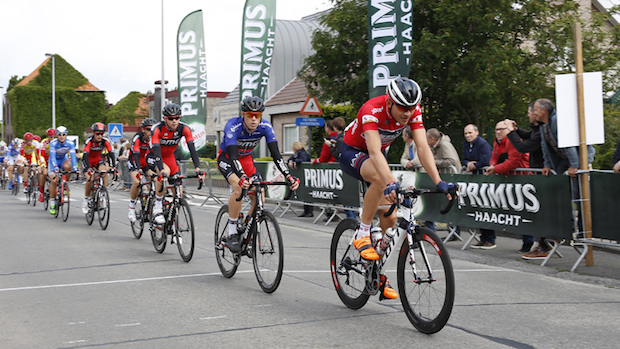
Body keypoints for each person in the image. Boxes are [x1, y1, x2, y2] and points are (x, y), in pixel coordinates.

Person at [339, 77, 454, 300]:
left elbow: (422, 148)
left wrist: (439, 181)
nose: (407, 113)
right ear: (390, 101)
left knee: (389, 221)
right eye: (402, 107)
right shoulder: (372, 109)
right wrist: (389, 180)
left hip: (375, 157)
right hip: (352, 152)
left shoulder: (413, 111)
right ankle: (362, 233)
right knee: (382, 180)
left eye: (411, 108)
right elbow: (373, 152)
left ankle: (377, 274)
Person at [218, 96, 299, 253]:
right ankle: (232, 230)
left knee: (259, 195)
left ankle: (247, 224)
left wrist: (288, 177)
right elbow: (234, 156)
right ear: (243, 115)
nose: (254, 119)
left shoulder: (266, 127)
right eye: (250, 115)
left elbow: (276, 156)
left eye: (257, 115)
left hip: (246, 159)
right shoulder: (232, 126)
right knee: (238, 188)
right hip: (228, 158)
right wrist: (241, 177)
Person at [522, 98, 595, 260]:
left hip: (578, 162)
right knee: (560, 197)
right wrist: (547, 164)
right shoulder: (543, 125)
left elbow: (567, 145)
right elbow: (544, 146)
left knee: (579, 197)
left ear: (543, 111)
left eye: (535, 109)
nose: (533, 112)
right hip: (562, 164)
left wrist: (575, 165)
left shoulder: (557, 121)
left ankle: (583, 234)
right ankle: (564, 231)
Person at [471, 121, 530, 250]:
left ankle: (528, 242)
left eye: (501, 129)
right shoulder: (497, 142)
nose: (498, 132)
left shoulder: (514, 141)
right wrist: (493, 165)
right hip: (505, 180)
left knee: (524, 213)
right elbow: (494, 157)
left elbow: (513, 162)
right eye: (497, 129)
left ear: (508, 130)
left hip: (522, 180)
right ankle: (487, 239)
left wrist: (495, 168)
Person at [149, 104, 205, 224]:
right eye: (171, 118)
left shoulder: (184, 128)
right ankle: (157, 207)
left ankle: (174, 223)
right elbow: (157, 150)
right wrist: (161, 170)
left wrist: (198, 168)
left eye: (177, 118)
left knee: (179, 193)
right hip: (155, 156)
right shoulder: (157, 128)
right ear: (165, 118)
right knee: (165, 174)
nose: (174, 121)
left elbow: (192, 149)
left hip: (170, 158)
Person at [504, 103, 543, 252]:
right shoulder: (537, 129)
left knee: (541, 210)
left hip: (543, 172)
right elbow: (528, 136)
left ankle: (545, 243)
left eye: (529, 112)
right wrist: (516, 130)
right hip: (538, 172)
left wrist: (509, 131)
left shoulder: (543, 129)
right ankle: (544, 243)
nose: (527, 115)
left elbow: (523, 147)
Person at [424, 128, 461, 234]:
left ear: (432, 139)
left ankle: (455, 232)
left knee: (452, 203)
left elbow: (451, 160)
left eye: (426, 138)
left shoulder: (445, 145)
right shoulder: (433, 146)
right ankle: (449, 231)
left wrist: (433, 162)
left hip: (451, 177)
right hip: (443, 178)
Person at [82, 123, 116, 214]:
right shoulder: (89, 141)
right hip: (88, 160)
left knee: (104, 171)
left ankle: (103, 193)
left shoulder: (105, 141)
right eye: (98, 134)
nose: (100, 136)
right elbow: (85, 155)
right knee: (90, 178)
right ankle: (86, 200)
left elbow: (111, 153)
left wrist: (113, 167)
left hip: (98, 160)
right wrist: (88, 168)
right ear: (93, 133)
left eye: (102, 134)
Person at [127, 118, 157, 222]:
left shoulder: (155, 138)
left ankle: (150, 204)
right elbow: (136, 153)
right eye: (148, 129)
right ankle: (131, 207)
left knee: (155, 179)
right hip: (135, 161)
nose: (151, 132)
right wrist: (139, 169)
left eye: (153, 129)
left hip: (146, 162)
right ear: (143, 129)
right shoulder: (138, 137)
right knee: (137, 181)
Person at [48, 126, 78, 215]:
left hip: (63, 159)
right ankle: (52, 202)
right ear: (57, 135)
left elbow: (72, 156)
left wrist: (75, 167)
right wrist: (55, 167)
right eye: (60, 135)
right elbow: (52, 157)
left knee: (68, 167)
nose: (62, 136)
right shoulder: (53, 143)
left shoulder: (70, 143)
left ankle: (65, 184)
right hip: (53, 161)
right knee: (54, 181)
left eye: (64, 135)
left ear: (66, 135)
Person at [288, 141, 313, 217]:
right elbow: (291, 158)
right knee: (304, 194)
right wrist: (291, 161)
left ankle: (310, 211)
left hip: (307, 176)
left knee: (308, 194)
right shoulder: (297, 154)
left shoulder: (303, 154)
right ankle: (306, 211)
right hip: (303, 176)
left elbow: (303, 159)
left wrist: (296, 162)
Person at [37, 128, 57, 201]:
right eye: (50, 136)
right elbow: (41, 155)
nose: (52, 138)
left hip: (54, 160)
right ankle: (41, 192)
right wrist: (43, 165)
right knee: (45, 173)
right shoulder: (44, 143)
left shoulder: (58, 142)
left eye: (54, 136)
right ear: (47, 136)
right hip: (45, 160)